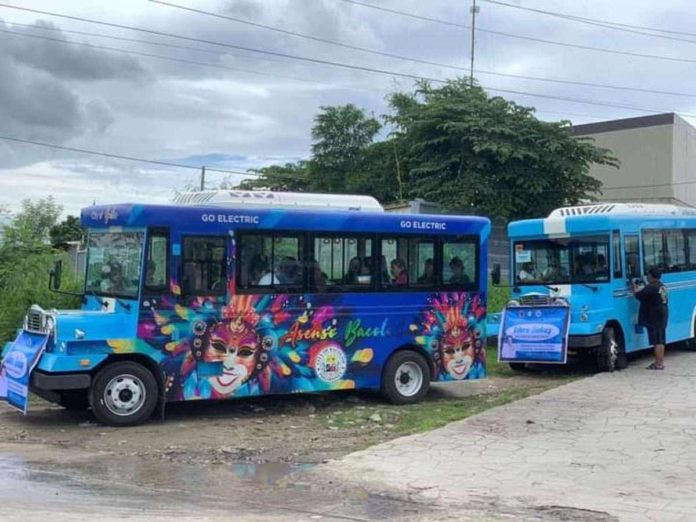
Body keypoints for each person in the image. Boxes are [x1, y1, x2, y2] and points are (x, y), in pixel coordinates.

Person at [632, 267, 669, 370]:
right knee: (661, 340)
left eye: (648, 275)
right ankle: (660, 362)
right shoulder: (662, 286)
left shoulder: (651, 287)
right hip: (663, 314)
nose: (647, 277)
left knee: (656, 341)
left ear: (651, 276)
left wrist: (634, 288)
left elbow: (639, 295)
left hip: (654, 316)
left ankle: (658, 363)